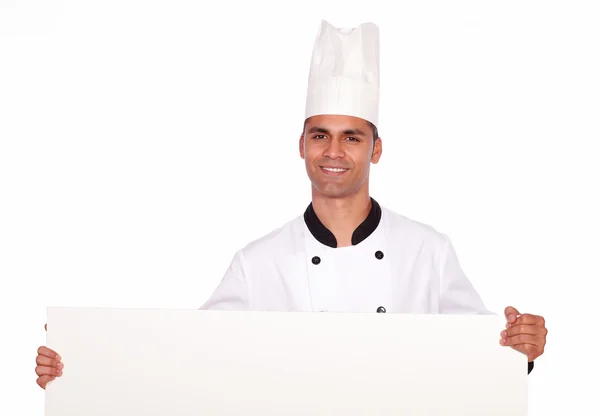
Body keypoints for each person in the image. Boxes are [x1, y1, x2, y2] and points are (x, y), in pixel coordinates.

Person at [35, 19, 548, 390]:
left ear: (377, 148)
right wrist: (79, 363)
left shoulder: (427, 250)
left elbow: (483, 355)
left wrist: (523, 347)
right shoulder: (258, 263)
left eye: (352, 137)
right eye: (320, 135)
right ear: (301, 144)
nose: (333, 152)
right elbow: (187, 357)